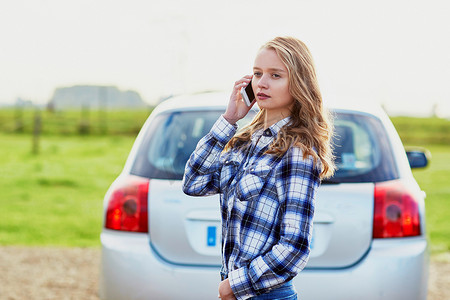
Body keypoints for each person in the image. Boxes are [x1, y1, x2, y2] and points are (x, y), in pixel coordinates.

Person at [182, 36, 335, 300]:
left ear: (299, 83)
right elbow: (194, 183)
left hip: (264, 294)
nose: (262, 83)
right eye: (257, 73)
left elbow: (295, 246)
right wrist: (229, 119)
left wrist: (235, 285)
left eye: (276, 75)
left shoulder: (297, 154)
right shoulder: (244, 142)